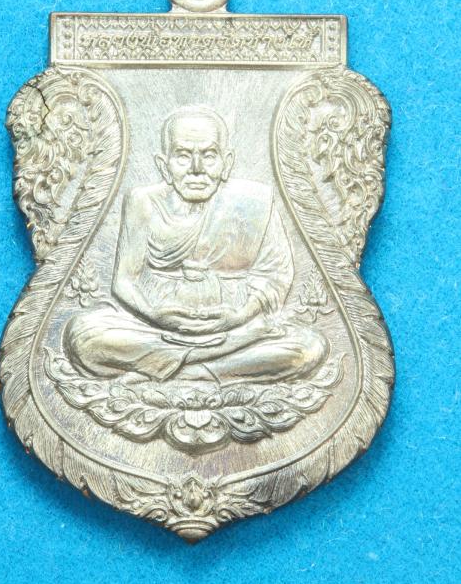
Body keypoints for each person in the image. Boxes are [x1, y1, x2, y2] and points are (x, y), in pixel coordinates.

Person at [64, 106, 328, 383]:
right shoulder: (143, 202)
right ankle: (218, 368)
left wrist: (239, 316)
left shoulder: (255, 203)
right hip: (156, 329)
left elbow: (276, 276)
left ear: (226, 163)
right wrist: (156, 315)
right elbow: (124, 281)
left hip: (236, 328)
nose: (197, 169)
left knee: (308, 347)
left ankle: (183, 371)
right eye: (183, 156)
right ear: (164, 166)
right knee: (84, 337)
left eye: (209, 155)